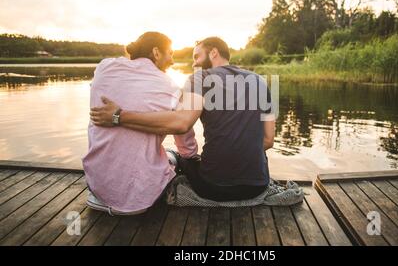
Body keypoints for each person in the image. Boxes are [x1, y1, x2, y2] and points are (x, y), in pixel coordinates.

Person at [90, 37, 275, 202]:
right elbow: (268, 140)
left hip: (213, 187)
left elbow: (182, 123)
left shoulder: (201, 78)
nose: (194, 64)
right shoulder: (262, 81)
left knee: (181, 158)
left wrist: (118, 116)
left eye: (197, 57)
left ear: (214, 53)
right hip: (257, 187)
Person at [83, 31, 198, 215]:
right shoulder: (169, 87)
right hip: (141, 196)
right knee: (174, 155)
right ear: (156, 52)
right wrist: (190, 156)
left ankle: (105, 194)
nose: (172, 60)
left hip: (98, 186)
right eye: (170, 53)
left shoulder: (104, 68)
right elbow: (186, 144)